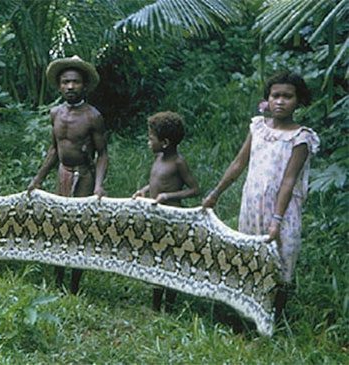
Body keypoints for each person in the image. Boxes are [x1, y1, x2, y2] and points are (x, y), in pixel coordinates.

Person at [202, 71, 320, 319]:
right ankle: (245, 313)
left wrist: (277, 220)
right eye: (275, 95)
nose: (280, 101)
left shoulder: (301, 137)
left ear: (298, 101)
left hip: (283, 211)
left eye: (287, 96)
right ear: (267, 99)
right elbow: (238, 164)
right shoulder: (258, 127)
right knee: (249, 254)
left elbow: (289, 181)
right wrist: (215, 194)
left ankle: (274, 316)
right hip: (252, 204)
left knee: (280, 257)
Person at [27, 55, 108, 294]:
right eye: (65, 82)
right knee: (59, 225)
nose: (70, 86)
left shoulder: (93, 116)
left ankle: (74, 286)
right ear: (59, 85)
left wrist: (98, 186)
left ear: (84, 85)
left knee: (78, 229)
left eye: (75, 82)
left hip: (84, 176)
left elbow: (102, 153)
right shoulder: (55, 113)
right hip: (63, 174)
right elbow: (54, 150)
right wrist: (38, 179)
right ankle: (57, 280)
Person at [132, 111, 200, 311]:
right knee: (157, 259)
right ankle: (155, 306)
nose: (148, 142)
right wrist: (144, 191)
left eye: (151, 138)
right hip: (157, 217)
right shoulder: (159, 157)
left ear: (165, 142)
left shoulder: (178, 162)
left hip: (172, 217)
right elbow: (155, 181)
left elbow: (195, 189)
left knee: (170, 261)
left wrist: (168, 197)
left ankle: (169, 306)